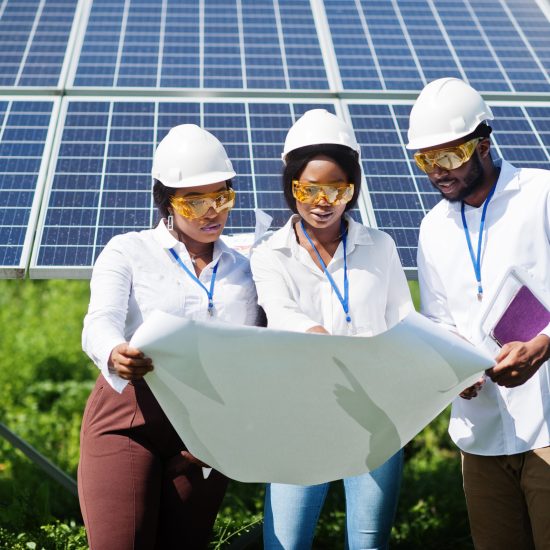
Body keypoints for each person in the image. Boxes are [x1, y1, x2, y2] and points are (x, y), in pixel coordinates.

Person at [78, 124, 258, 550]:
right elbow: (98, 321)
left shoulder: (248, 266)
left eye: (222, 197)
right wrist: (114, 351)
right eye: (194, 201)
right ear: (166, 201)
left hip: (206, 432)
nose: (211, 211)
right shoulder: (128, 250)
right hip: (129, 418)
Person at [250, 109, 413, 549]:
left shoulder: (379, 247)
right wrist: (318, 336)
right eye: (309, 189)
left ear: (352, 189)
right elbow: (279, 312)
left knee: (368, 544)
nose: (324, 201)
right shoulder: (270, 254)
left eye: (338, 189)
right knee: (285, 543)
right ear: (291, 187)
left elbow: (403, 321)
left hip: (375, 416)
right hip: (300, 417)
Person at [409, 77, 550, 548]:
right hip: (481, 432)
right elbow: (441, 322)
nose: (437, 172)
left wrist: (543, 344)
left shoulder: (541, 195)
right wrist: (454, 367)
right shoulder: (433, 228)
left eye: (448, 156)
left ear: (483, 144)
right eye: (426, 160)